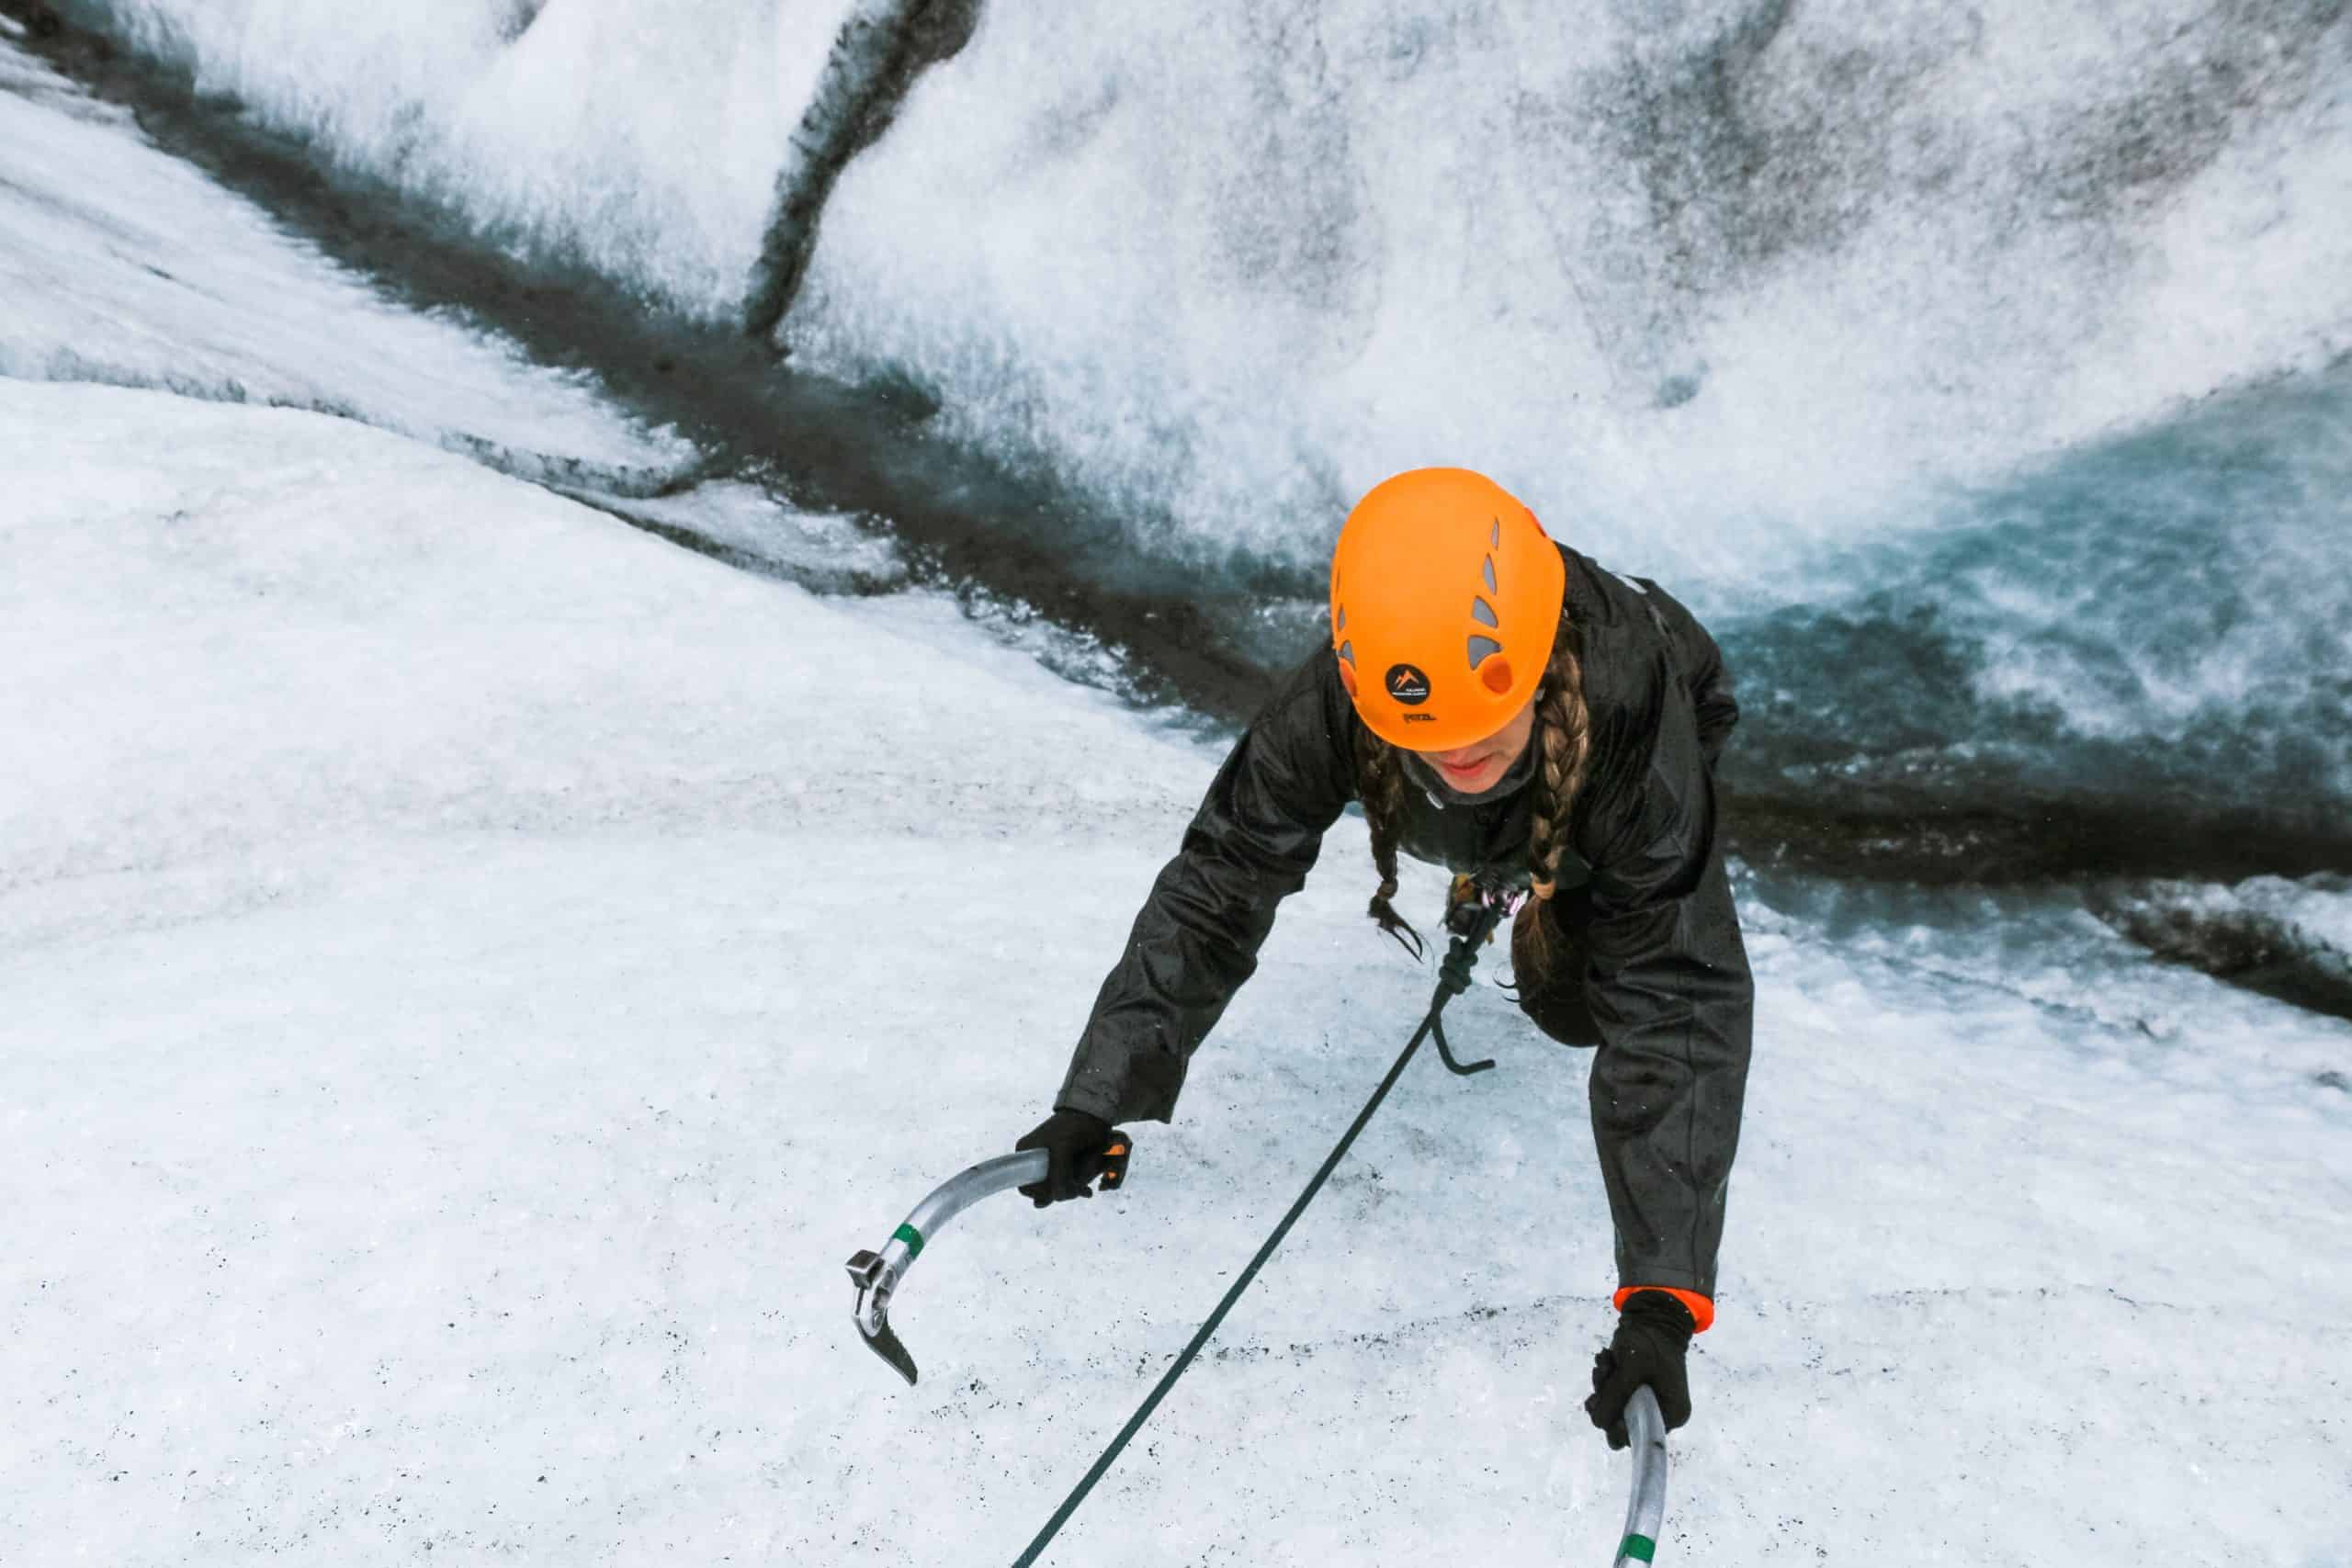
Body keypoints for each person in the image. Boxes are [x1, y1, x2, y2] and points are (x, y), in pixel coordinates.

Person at [1014, 467, 1752, 1450]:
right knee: (1461, 807)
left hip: (1646, 722)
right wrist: (1098, 1092)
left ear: (1534, 672)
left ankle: (1540, 876)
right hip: (1508, 767)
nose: (1452, 754)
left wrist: (1661, 1299)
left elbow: (1675, 990)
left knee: (1579, 1003)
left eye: (1473, 732)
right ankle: (1495, 865)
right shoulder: (1346, 695)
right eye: (1426, 739)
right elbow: (1224, 874)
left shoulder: (1627, 712)